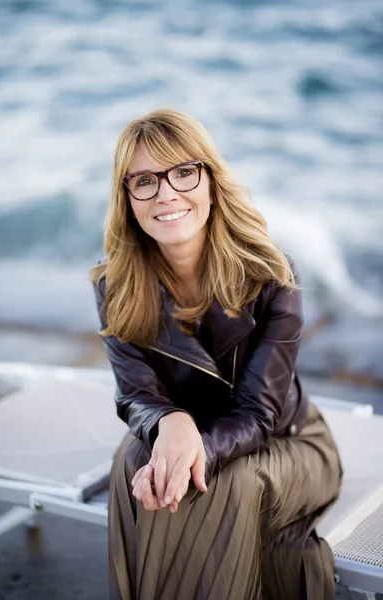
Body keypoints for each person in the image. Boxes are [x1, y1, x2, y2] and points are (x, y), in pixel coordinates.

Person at [91, 108, 342, 600]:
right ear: (127, 198)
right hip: (182, 431)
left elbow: (260, 412)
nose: (166, 192)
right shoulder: (113, 283)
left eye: (183, 172)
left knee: (218, 483)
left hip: (284, 442)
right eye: (144, 180)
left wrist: (196, 449)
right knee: (136, 463)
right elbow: (135, 395)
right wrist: (172, 425)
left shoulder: (271, 275)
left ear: (210, 178)